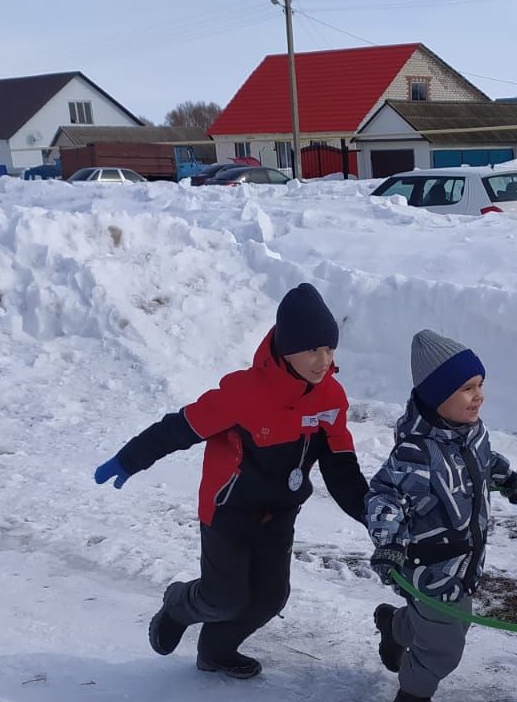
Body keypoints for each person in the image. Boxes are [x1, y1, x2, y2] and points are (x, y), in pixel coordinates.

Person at [93, 283, 368, 677]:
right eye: (312, 349)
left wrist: (371, 513)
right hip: (229, 512)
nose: (323, 360)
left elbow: (341, 465)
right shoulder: (243, 394)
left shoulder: (331, 398)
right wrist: (129, 459)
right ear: (286, 346)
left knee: (271, 598)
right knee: (223, 598)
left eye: (329, 348)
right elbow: (180, 428)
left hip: (280, 512)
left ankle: (216, 652)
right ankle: (177, 604)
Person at [366, 330, 517, 702]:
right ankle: (411, 697)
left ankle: (395, 627)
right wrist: (388, 545)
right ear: (437, 397)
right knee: (445, 648)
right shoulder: (416, 452)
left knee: (455, 623)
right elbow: (385, 497)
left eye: (480, 386)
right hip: (430, 565)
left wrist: (505, 476)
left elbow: (483, 460)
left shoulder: (472, 433)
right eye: (467, 389)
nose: (479, 396)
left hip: (464, 560)